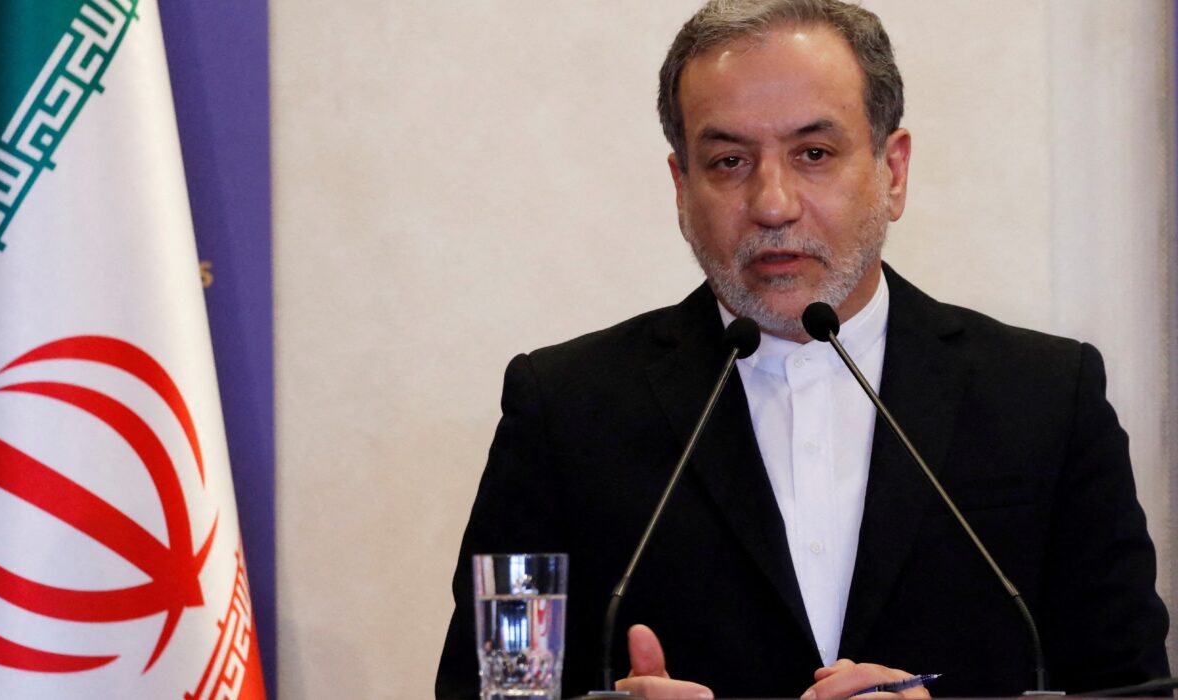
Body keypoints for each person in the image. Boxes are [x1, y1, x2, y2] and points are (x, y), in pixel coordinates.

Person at [436, 1, 1170, 698]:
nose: (772, 203)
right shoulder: (565, 411)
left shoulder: (1046, 399)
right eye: (729, 161)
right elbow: (492, 686)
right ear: (681, 188)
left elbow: (1129, 685)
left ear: (892, 172)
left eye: (813, 153)